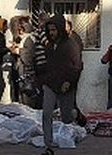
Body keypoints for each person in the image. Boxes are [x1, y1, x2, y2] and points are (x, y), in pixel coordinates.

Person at [33, 14, 82, 155]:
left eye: (54, 30)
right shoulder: (49, 46)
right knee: (47, 113)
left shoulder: (70, 44)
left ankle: (76, 115)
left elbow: (77, 66)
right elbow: (45, 64)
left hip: (66, 85)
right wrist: (41, 80)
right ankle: (48, 145)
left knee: (66, 117)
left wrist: (69, 81)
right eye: (49, 30)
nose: (51, 33)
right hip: (50, 84)